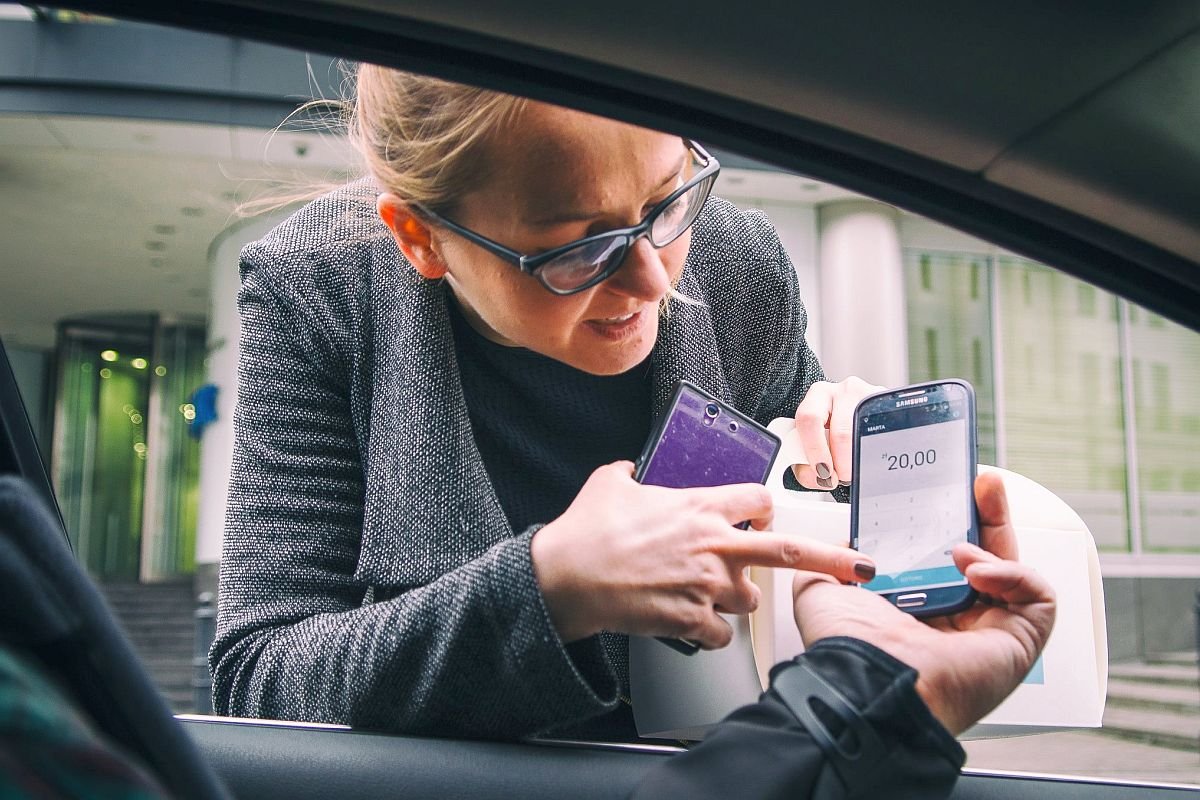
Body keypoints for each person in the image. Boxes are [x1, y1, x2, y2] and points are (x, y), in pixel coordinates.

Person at [210, 63, 891, 741]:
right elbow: (261, 678)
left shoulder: (739, 267)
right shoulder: (317, 290)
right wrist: (549, 589)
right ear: (420, 237)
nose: (652, 283)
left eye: (666, 202)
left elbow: (819, 542)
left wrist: (851, 468)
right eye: (579, 248)